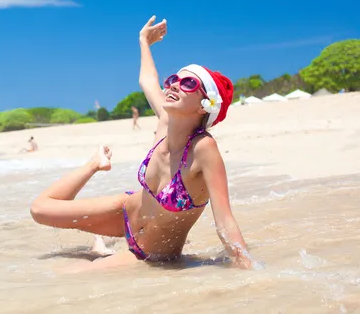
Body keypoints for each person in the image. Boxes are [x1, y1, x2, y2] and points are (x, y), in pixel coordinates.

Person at [30, 15, 253, 272]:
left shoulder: (203, 149)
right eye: (173, 80)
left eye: (189, 83)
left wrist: (248, 269)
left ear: (205, 106)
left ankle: (101, 252)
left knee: (64, 276)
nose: (175, 86)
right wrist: (144, 42)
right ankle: (95, 165)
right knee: (40, 210)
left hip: (148, 253)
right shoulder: (165, 123)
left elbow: (224, 220)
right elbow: (147, 80)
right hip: (125, 211)